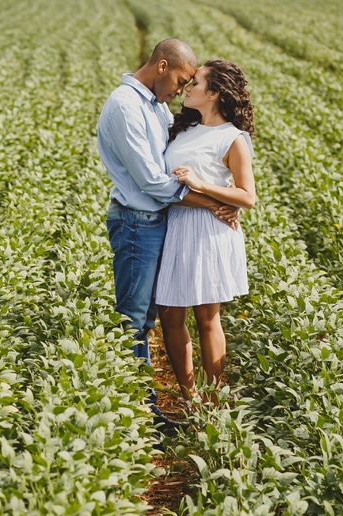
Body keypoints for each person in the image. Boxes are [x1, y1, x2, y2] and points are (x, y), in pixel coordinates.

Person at [97, 39, 240, 429]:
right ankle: (142, 415)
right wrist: (211, 203)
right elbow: (152, 180)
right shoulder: (126, 106)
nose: (180, 91)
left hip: (162, 223)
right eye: (180, 80)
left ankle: (156, 409)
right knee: (135, 319)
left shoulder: (155, 106)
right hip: (136, 223)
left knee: (153, 316)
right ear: (162, 66)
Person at [157, 59, 256, 405]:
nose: (187, 88)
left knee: (206, 318)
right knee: (169, 315)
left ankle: (212, 399)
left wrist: (201, 185)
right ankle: (189, 397)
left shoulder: (232, 137)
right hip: (175, 225)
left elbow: (247, 196)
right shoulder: (184, 127)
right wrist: (211, 200)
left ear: (213, 93)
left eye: (195, 83)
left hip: (207, 233)